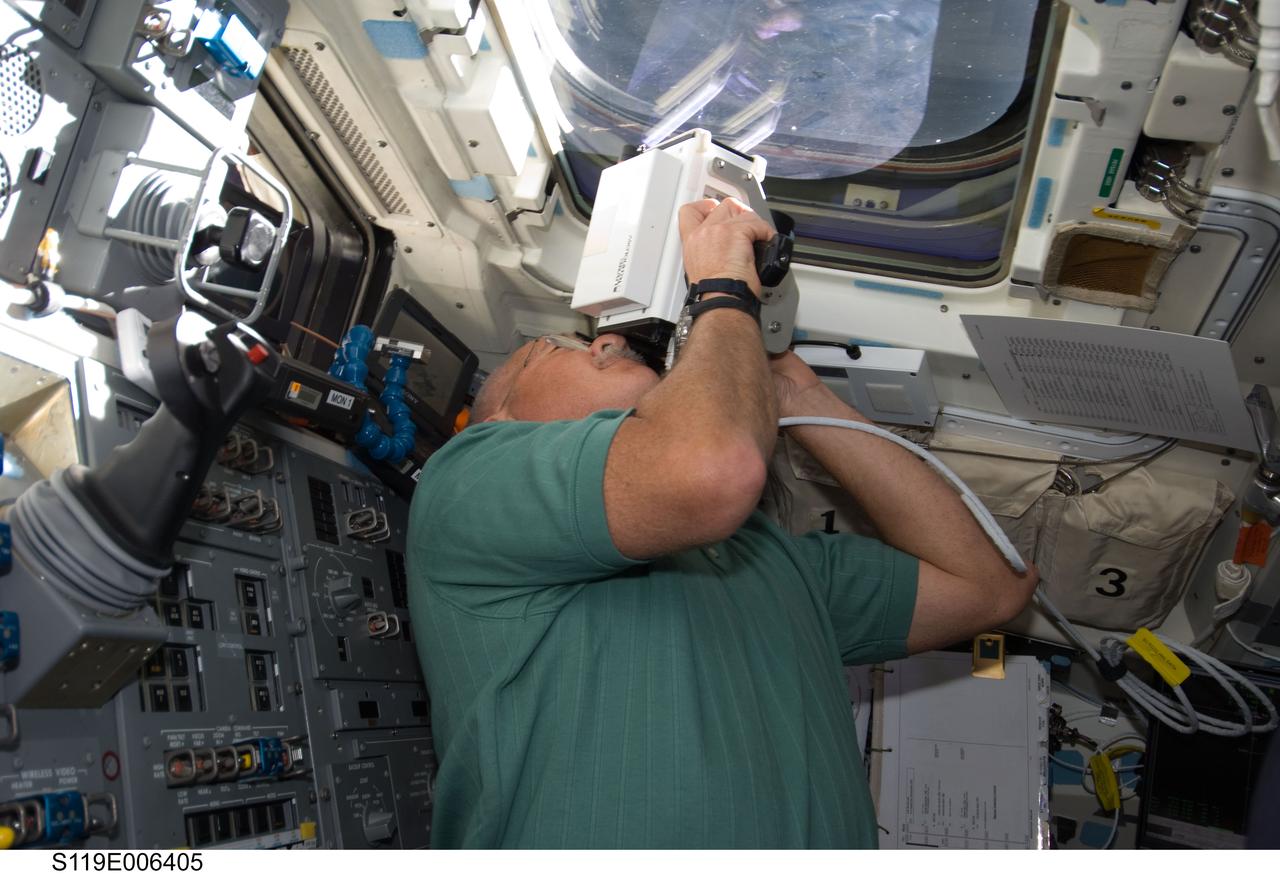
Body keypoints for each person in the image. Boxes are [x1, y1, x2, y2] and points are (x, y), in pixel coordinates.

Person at [405, 196, 1039, 848]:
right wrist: (724, 291)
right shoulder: (467, 482)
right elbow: (708, 468)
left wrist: (793, 389)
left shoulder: (766, 555)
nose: (607, 339)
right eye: (561, 343)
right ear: (502, 415)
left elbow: (991, 586)